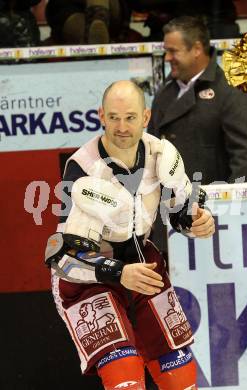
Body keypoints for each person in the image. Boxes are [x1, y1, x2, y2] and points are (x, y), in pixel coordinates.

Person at [45, 80, 215, 390]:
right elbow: (59, 258)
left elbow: (182, 211)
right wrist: (119, 272)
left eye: (130, 117)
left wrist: (196, 223)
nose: (122, 127)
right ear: (101, 116)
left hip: (142, 265)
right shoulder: (83, 169)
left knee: (181, 378)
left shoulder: (161, 154)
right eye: (114, 117)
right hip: (89, 277)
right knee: (125, 379)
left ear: (146, 117)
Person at [148, 15, 247, 186]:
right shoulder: (164, 92)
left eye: (173, 51)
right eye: (166, 51)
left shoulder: (233, 90)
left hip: (211, 206)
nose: (167, 58)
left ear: (196, 49)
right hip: (168, 204)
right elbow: (150, 149)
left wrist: (230, 204)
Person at [45, 0, 142, 45]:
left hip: (109, 13)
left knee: (75, 23)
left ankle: (95, 26)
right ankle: (95, 27)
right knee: (76, 22)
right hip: (69, 14)